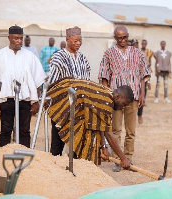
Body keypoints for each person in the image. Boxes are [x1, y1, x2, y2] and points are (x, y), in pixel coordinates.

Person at [0, 25, 47, 148]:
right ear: (9, 38)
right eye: (16, 38)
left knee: (24, 132)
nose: (19, 41)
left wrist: (35, 102)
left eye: (21, 38)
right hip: (6, 101)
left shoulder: (30, 56)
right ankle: (2, 158)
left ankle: (25, 160)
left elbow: (37, 81)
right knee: (5, 131)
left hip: (25, 100)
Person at [46, 78, 132, 168]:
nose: (123, 107)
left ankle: (72, 172)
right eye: (124, 104)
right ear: (118, 97)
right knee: (56, 150)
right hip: (62, 107)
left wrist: (103, 146)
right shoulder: (107, 102)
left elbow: (101, 124)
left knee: (78, 146)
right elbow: (109, 134)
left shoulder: (109, 94)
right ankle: (53, 173)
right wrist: (123, 158)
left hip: (73, 111)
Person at [98, 26, 150, 172]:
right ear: (115, 38)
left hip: (133, 97)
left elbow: (143, 75)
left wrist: (142, 94)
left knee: (131, 130)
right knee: (116, 130)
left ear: (128, 36)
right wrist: (106, 94)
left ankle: (129, 156)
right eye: (119, 38)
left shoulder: (138, 53)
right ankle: (118, 159)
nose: (123, 40)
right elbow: (104, 76)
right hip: (116, 100)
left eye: (125, 37)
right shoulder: (109, 53)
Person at [49, 26, 91, 156]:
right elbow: (53, 84)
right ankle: (54, 171)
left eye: (80, 40)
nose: (78, 43)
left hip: (79, 107)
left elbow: (87, 81)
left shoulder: (84, 59)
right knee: (57, 144)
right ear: (67, 40)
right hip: (62, 107)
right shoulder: (58, 57)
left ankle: (73, 172)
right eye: (75, 40)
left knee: (77, 143)